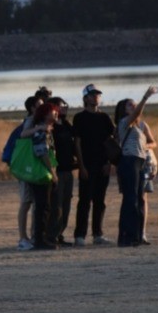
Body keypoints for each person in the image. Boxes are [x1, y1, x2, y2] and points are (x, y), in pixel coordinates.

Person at [115, 85, 158, 247]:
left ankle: (138, 235)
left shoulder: (139, 127)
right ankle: (126, 236)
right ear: (123, 109)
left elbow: (151, 141)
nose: (133, 106)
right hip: (129, 161)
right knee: (130, 199)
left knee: (140, 199)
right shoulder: (124, 123)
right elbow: (137, 114)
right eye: (129, 104)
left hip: (140, 162)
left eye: (134, 103)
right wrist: (145, 97)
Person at [72, 84, 115, 246]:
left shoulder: (104, 118)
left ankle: (98, 234)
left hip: (103, 164)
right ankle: (80, 235)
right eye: (92, 95)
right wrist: (81, 166)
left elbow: (111, 141)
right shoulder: (79, 118)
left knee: (100, 200)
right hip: (87, 165)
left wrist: (109, 162)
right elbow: (77, 142)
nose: (96, 97)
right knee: (84, 200)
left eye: (98, 94)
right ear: (86, 98)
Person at [4, 95, 41, 251]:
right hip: (26, 168)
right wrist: (38, 128)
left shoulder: (36, 121)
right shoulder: (30, 121)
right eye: (39, 105)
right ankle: (22, 238)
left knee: (32, 202)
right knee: (26, 202)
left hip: (31, 168)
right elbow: (24, 134)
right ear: (32, 108)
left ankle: (31, 236)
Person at [20, 102, 59, 250]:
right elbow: (41, 152)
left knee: (45, 206)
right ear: (44, 114)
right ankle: (39, 240)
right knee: (42, 207)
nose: (56, 114)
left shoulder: (47, 130)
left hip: (44, 173)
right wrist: (52, 172)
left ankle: (42, 239)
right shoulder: (40, 131)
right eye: (52, 112)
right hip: (41, 174)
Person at [46, 96, 78, 246]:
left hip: (68, 170)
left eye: (65, 104)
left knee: (66, 204)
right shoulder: (51, 127)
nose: (65, 107)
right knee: (56, 205)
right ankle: (51, 236)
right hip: (57, 170)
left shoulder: (66, 124)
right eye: (61, 105)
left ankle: (59, 234)